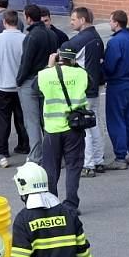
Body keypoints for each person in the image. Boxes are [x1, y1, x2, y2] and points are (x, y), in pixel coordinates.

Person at [37, 48, 89, 210]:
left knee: (51, 168)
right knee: (73, 166)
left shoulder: (45, 74)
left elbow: (34, 89)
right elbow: (94, 82)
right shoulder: (80, 74)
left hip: (52, 129)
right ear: (73, 60)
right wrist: (76, 65)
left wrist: (49, 66)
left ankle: (53, 205)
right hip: (74, 127)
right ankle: (72, 204)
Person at [61, 6, 106, 178]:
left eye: (73, 19)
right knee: (94, 123)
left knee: (83, 127)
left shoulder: (78, 41)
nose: (71, 22)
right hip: (95, 87)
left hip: (82, 89)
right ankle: (98, 160)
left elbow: (64, 56)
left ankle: (88, 165)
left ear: (82, 20)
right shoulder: (97, 38)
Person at [0, 9, 30, 168]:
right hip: (21, 87)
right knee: (23, 119)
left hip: (2, 87)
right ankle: (26, 147)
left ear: (4, 22)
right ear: (17, 22)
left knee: (2, 122)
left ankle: (2, 154)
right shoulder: (25, 39)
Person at [16, 4, 58, 164]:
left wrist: (19, 80)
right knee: (46, 120)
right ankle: (52, 155)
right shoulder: (51, 34)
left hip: (31, 81)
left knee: (32, 121)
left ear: (28, 18)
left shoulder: (31, 37)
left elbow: (25, 62)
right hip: (48, 79)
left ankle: (35, 157)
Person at [102, 9, 129, 170]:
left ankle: (120, 157)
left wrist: (101, 66)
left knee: (115, 120)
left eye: (110, 21)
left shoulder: (114, 42)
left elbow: (110, 66)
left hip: (117, 84)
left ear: (116, 23)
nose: (109, 23)